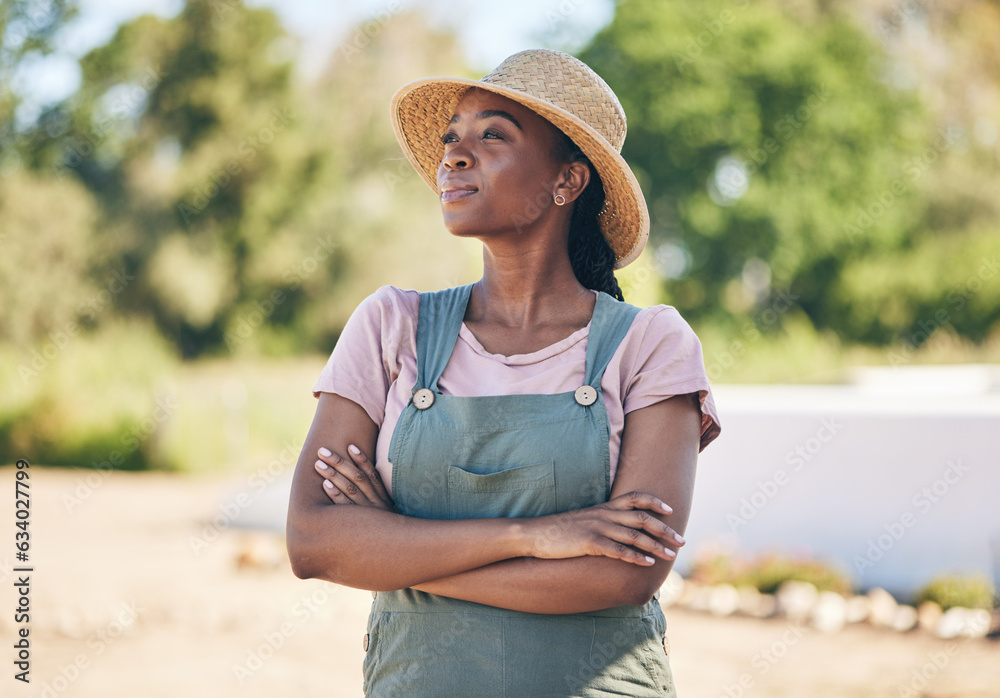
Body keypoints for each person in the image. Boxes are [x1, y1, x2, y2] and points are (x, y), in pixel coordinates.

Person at [286, 48, 721, 697]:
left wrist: (395, 554)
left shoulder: (649, 344)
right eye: (451, 138)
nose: (454, 156)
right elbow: (314, 541)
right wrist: (537, 536)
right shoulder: (389, 327)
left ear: (567, 182)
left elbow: (626, 575)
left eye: (493, 135)